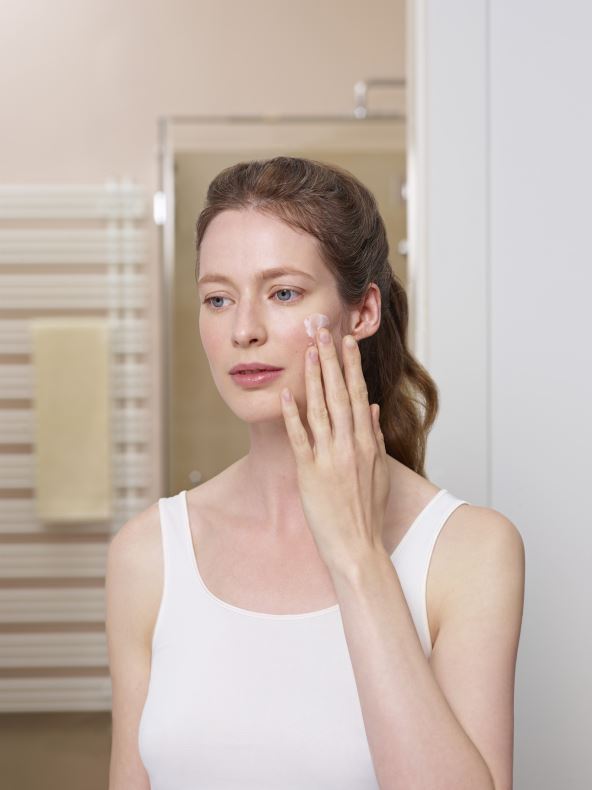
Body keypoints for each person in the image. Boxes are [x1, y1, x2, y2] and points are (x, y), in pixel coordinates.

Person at [106, 156, 525, 790]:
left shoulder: (470, 552)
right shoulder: (148, 554)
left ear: (363, 312)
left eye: (283, 293)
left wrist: (357, 554)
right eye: (218, 299)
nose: (243, 330)